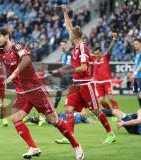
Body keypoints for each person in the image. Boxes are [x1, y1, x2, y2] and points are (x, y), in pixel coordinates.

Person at [0, 23, 84, 160]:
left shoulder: (18, 47)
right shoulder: (0, 51)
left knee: (54, 120)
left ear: (6, 36)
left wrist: (14, 73)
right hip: (22, 93)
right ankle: (33, 148)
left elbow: (26, 59)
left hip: (35, 90)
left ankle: (76, 146)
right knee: (15, 118)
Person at [51, 5, 116, 147]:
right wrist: (65, 12)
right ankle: (70, 135)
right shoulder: (75, 45)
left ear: (74, 37)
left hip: (86, 85)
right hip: (76, 84)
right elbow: (69, 26)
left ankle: (110, 133)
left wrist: (66, 71)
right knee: (68, 109)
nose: (68, 35)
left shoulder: (83, 48)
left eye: (70, 35)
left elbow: (83, 68)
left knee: (95, 110)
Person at [90, 33, 119, 110]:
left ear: (101, 52)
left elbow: (110, 47)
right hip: (97, 83)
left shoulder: (105, 57)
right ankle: (110, 112)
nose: (96, 55)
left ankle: (116, 111)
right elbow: (85, 53)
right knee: (101, 100)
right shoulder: (93, 58)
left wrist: (113, 39)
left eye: (98, 53)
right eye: (95, 54)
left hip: (106, 81)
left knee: (110, 98)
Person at [54, 39, 73, 109]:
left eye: (64, 45)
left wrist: (59, 70)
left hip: (68, 76)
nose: (62, 47)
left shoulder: (68, 54)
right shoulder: (64, 54)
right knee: (59, 91)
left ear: (66, 45)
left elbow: (68, 65)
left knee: (72, 92)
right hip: (64, 76)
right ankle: (54, 108)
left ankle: (76, 107)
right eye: (61, 45)